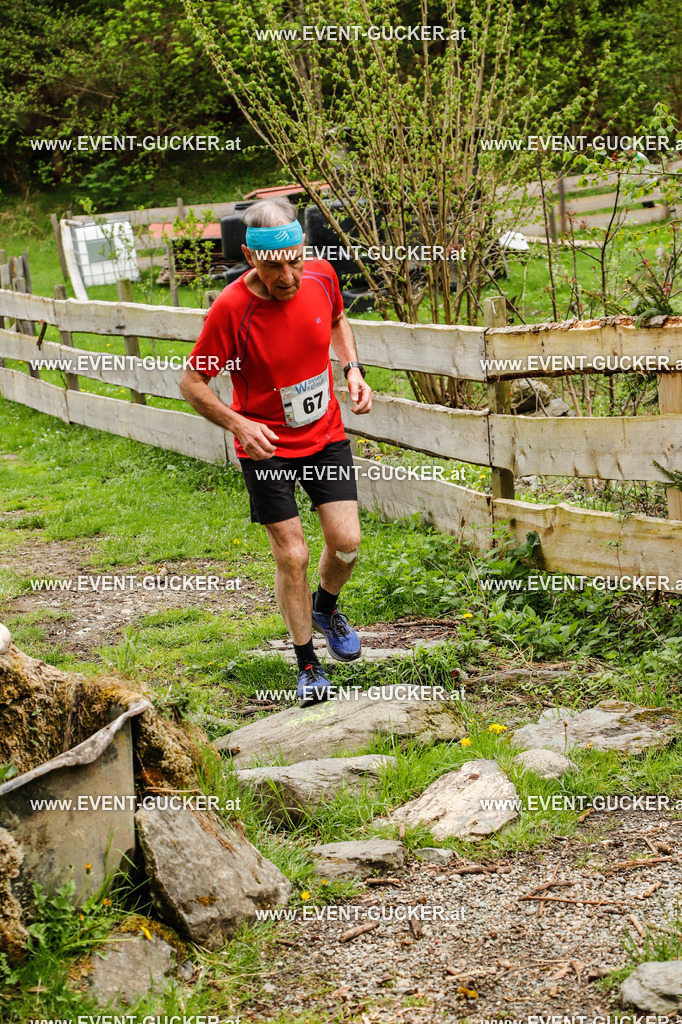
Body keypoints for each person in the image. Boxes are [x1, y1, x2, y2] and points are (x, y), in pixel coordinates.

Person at [180, 198, 372, 706]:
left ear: (303, 248)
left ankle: (325, 608)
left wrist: (352, 368)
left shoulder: (322, 276)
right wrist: (238, 423)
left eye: (294, 261)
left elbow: (337, 321)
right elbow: (191, 382)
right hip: (266, 448)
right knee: (293, 554)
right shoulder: (231, 309)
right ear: (249, 256)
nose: (287, 277)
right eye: (272, 266)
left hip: (324, 434)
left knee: (347, 544)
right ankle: (307, 663)